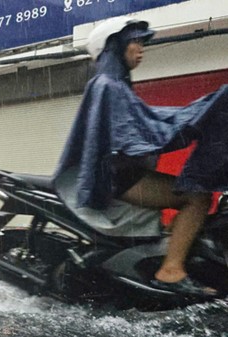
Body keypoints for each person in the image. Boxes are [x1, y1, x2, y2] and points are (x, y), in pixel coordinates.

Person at [54, 18, 228, 296]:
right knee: (196, 197)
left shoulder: (112, 85)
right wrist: (202, 112)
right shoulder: (108, 86)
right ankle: (170, 271)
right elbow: (143, 130)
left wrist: (195, 115)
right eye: (134, 42)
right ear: (114, 47)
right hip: (119, 178)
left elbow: (147, 124)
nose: (141, 48)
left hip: (123, 174)